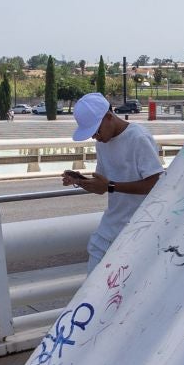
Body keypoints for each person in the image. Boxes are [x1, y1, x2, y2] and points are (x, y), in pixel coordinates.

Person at [61, 92, 164, 268]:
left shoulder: (138, 138)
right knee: (92, 289)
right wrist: (80, 181)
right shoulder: (102, 143)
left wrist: (110, 186)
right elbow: (102, 187)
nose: (95, 137)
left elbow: (155, 184)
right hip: (111, 228)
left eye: (96, 131)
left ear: (109, 117)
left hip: (138, 230)